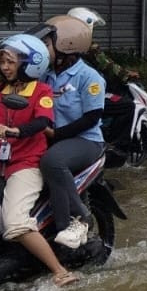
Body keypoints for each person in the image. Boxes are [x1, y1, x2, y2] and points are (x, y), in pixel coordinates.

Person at [0, 34, 77, 288]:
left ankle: (60, 271)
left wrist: (17, 131)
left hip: (25, 164)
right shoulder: (1, 90)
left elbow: (43, 121)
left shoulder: (41, 91)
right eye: (2, 62)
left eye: (10, 62)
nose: (5, 67)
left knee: (16, 224)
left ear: (30, 63)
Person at [36, 15, 105, 250]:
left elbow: (92, 117)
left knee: (52, 161)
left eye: (47, 44)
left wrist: (56, 135)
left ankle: (76, 219)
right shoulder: (46, 75)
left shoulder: (89, 77)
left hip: (85, 141)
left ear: (67, 45)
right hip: (52, 138)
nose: (43, 50)